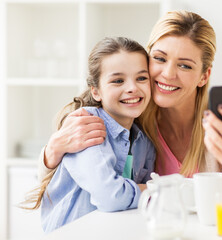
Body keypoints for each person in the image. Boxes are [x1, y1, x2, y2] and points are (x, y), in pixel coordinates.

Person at [38, 10, 222, 201]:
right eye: (160, 59)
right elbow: (59, 185)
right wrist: (52, 152)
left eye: (184, 66)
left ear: (204, 76)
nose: (168, 74)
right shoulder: (129, 118)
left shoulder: (218, 130)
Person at [29, 37, 155, 233]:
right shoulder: (86, 126)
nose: (132, 87)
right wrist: (155, 189)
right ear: (96, 91)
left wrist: (149, 190)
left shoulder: (144, 142)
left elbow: (147, 202)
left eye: (141, 78)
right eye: (118, 80)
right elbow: (110, 196)